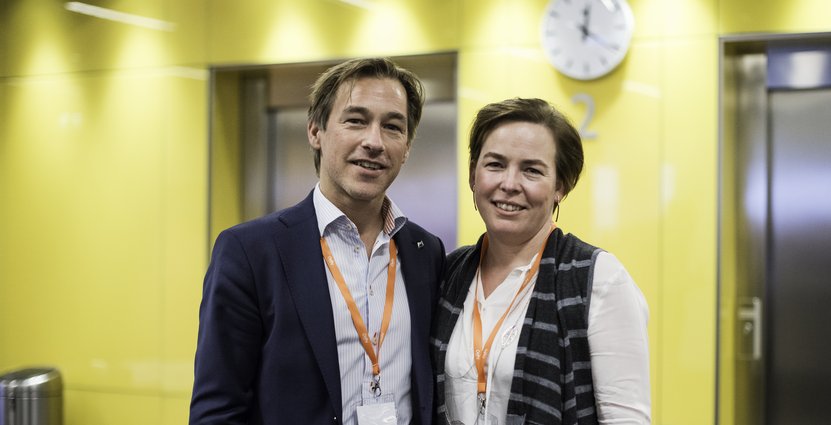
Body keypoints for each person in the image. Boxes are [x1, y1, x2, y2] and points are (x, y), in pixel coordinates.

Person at [190, 58, 446, 425]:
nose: (373, 141)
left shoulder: (426, 252)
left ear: (406, 147)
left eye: (392, 126)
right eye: (355, 120)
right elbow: (217, 411)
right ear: (315, 131)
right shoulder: (250, 252)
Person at [431, 98, 650, 425]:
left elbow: (626, 419)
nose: (509, 184)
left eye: (531, 170)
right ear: (473, 174)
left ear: (560, 186)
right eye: (495, 164)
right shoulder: (449, 272)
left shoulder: (596, 278)